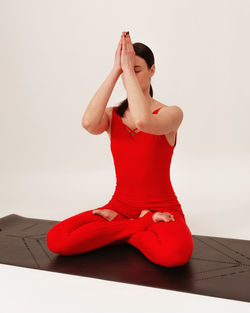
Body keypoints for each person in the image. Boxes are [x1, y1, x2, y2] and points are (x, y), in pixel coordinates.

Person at [46, 31, 194, 267]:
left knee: (175, 255)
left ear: (152, 71)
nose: (129, 76)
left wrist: (127, 70)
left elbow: (143, 121)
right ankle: (139, 226)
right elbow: (88, 123)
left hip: (163, 210)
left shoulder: (171, 114)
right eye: (126, 72)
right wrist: (117, 69)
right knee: (57, 240)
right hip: (119, 209)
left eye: (136, 70)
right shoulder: (112, 116)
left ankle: (120, 232)